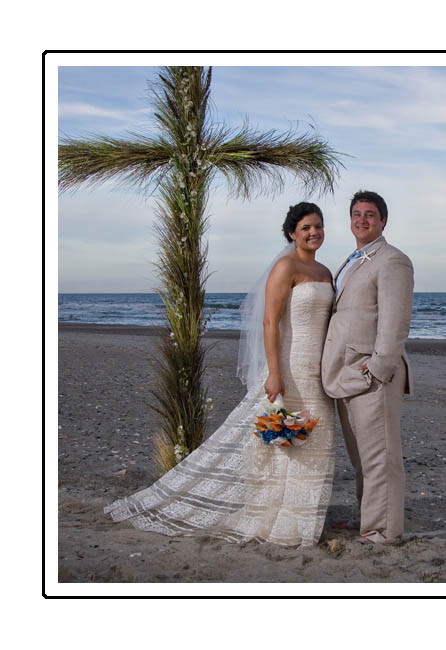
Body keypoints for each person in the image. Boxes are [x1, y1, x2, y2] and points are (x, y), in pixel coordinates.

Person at [105, 202, 337, 547]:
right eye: (306, 227)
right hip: (290, 365)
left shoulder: (325, 272)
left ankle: (303, 520)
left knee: (317, 440)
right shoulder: (285, 267)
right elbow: (269, 322)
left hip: (319, 369)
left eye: (318, 226)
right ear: (292, 233)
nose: (313, 232)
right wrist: (274, 372)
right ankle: (276, 515)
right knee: (283, 440)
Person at [321, 190, 414, 545]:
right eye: (356, 214)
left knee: (381, 457)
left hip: (371, 375)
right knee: (363, 456)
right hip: (346, 373)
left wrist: (378, 369)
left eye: (370, 214)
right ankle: (368, 519)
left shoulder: (393, 261)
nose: (362, 220)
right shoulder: (352, 260)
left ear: (383, 221)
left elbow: (395, 321)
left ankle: (383, 531)